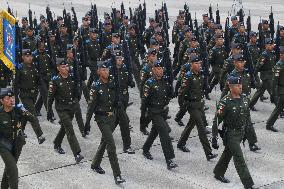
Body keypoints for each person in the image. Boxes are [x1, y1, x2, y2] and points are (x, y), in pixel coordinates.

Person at [212, 76, 256, 189]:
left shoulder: (245, 99)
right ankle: (248, 184)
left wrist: (247, 133)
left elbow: (247, 117)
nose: (240, 86)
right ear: (231, 87)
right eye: (237, 85)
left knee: (228, 153)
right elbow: (216, 120)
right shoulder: (225, 102)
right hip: (231, 134)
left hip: (240, 132)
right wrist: (214, 137)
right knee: (239, 159)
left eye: (240, 84)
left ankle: (218, 172)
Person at [86, 61, 125, 184]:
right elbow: (91, 106)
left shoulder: (113, 82)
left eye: (107, 70)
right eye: (103, 70)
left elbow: (119, 87)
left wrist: (118, 101)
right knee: (111, 145)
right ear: (98, 72)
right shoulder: (95, 86)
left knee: (104, 141)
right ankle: (117, 175)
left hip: (112, 117)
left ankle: (95, 164)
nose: (106, 72)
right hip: (101, 119)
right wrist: (87, 122)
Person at [176, 55, 217, 160]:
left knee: (190, 125)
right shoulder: (188, 76)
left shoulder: (201, 75)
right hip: (192, 105)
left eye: (200, 63)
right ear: (191, 64)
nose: (199, 65)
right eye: (196, 63)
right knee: (201, 128)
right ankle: (208, 153)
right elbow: (181, 94)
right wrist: (183, 106)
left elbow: (202, 89)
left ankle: (181, 143)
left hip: (199, 105)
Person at [141, 60, 178, 170]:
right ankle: (169, 159)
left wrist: (172, 85)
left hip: (163, 111)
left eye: (161, 68)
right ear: (153, 70)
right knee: (164, 132)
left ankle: (145, 148)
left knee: (155, 131)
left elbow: (170, 95)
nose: (160, 70)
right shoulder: (149, 83)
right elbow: (144, 102)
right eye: (158, 68)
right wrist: (143, 119)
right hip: (154, 112)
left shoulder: (165, 82)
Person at [47, 58, 84, 163]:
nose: (66, 68)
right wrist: (49, 110)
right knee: (70, 129)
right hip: (61, 108)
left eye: (67, 66)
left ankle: (57, 143)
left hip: (71, 108)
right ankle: (77, 153)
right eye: (63, 67)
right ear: (58, 69)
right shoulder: (55, 80)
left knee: (65, 127)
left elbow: (77, 92)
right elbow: (50, 97)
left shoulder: (72, 78)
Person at [0, 88, 27, 189]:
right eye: (8, 98)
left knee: (9, 168)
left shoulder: (17, 110)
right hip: (4, 145)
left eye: (12, 97)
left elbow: (31, 118)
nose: (11, 99)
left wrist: (24, 110)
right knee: (13, 171)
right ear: (2, 101)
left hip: (16, 144)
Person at [266, 46, 284, 132]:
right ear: (281, 55)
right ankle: (269, 124)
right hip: (281, 90)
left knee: (279, 108)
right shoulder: (279, 65)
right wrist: (273, 94)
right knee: (278, 109)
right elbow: (274, 81)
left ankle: (269, 124)